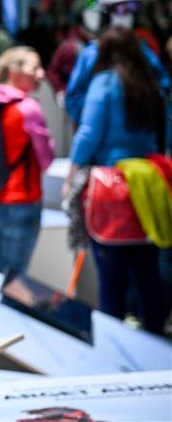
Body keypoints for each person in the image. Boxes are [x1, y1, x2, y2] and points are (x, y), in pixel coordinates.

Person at [64, 28, 167, 335]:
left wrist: (73, 169)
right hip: (151, 180)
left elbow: (89, 132)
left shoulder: (105, 82)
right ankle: (157, 342)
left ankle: (114, 345)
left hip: (114, 185)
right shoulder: (151, 84)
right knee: (148, 272)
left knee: (111, 276)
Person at [0, 47, 56, 277]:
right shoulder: (28, 108)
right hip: (21, 199)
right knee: (15, 279)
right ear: (14, 71)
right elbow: (47, 160)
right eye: (35, 68)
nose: (41, 74)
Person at [65, 0, 170, 125]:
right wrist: (98, 114)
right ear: (104, 14)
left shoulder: (141, 49)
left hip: (139, 132)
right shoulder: (92, 54)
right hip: (101, 135)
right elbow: (74, 99)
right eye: (120, 9)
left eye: (132, 9)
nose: (126, 16)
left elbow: (163, 86)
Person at [46, 0, 96, 96]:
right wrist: (61, 90)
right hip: (78, 98)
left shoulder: (103, 40)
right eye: (90, 15)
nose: (94, 18)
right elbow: (52, 71)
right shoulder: (69, 46)